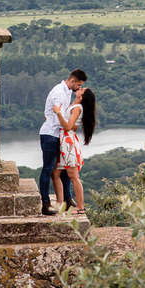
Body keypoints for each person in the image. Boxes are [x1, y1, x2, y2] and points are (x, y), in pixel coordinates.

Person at [39, 68, 86, 215]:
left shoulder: (68, 92)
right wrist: (69, 124)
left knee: (64, 170)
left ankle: (66, 199)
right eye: (79, 85)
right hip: (50, 135)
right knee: (48, 169)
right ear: (72, 81)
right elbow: (58, 116)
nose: (79, 88)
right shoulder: (59, 93)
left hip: (59, 136)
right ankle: (46, 203)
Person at [52, 87, 95, 215]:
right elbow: (73, 125)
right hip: (64, 140)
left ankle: (80, 207)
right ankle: (60, 204)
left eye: (82, 89)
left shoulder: (77, 108)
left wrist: (58, 113)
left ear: (82, 96)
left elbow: (69, 126)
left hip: (67, 142)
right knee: (55, 173)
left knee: (73, 176)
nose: (79, 89)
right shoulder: (74, 106)